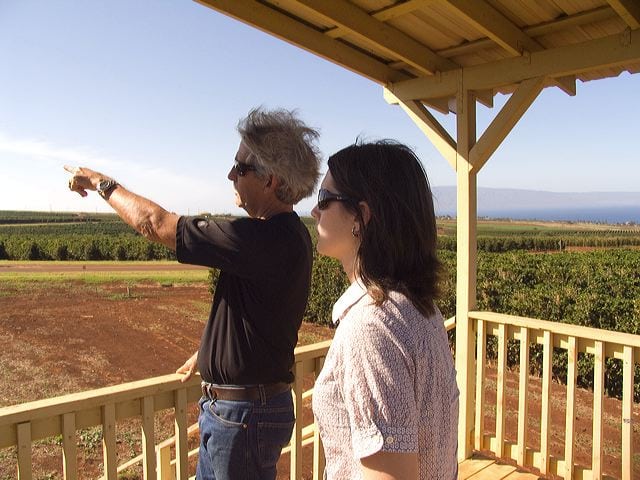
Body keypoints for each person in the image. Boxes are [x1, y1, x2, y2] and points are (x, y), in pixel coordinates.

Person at [65, 107, 321, 480]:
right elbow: (256, 314)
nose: (230, 175)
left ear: (271, 180)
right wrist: (210, 352)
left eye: (240, 167)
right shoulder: (287, 236)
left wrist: (102, 183)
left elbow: (154, 224)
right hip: (242, 413)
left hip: (241, 418)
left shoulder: (261, 240)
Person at [310, 140, 459, 480]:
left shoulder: (371, 327)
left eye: (324, 199)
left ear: (361, 217)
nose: (314, 211)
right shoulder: (418, 308)